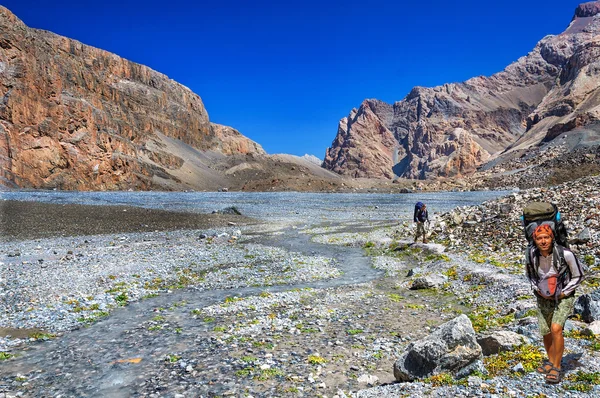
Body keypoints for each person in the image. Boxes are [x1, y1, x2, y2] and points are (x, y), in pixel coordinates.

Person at [526, 224, 584, 384]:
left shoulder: (565, 254)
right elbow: (530, 275)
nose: (543, 241)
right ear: (535, 240)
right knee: (545, 331)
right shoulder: (532, 254)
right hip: (543, 296)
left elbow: (578, 276)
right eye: (539, 238)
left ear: (552, 238)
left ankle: (556, 368)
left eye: (546, 237)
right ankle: (551, 361)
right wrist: (537, 289)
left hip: (563, 296)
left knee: (556, 328)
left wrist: (565, 292)